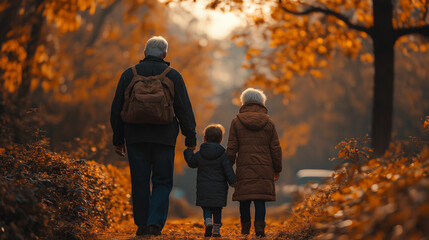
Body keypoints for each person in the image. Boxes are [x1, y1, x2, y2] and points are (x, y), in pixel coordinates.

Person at [110, 36, 197, 236]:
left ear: (144, 52)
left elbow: (117, 109)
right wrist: (190, 137)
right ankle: (155, 223)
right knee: (163, 181)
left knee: (139, 180)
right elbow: (184, 108)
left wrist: (118, 139)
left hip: (135, 136)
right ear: (165, 54)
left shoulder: (128, 74)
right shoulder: (173, 75)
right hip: (164, 137)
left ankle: (141, 224)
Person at [226, 88, 282, 237]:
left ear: (244, 102)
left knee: (244, 200)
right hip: (264, 168)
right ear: (261, 102)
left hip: (244, 167)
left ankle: (245, 230)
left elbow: (231, 148)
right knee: (260, 199)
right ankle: (259, 229)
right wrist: (277, 168)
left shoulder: (236, 122)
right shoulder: (269, 123)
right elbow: (275, 148)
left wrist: (227, 168)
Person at [184, 124, 237, 238]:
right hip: (219, 189)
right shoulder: (223, 155)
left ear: (204, 138)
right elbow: (228, 170)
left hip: (204, 188)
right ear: (220, 139)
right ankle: (216, 230)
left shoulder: (200, 153)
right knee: (217, 209)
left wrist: (188, 151)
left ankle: (208, 222)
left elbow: (192, 162)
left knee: (206, 207)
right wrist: (234, 182)